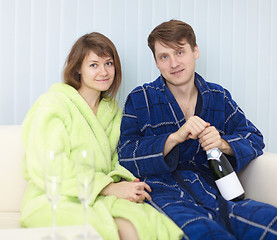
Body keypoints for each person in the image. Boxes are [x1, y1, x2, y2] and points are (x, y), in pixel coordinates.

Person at [118, 20, 277, 240]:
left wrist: (222, 144)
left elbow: (254, 138)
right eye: (164, 57)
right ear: (156, 62)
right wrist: (174, 138)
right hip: (165, 193)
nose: (174, 63)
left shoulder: (218, 96)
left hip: (218, 191)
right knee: (205, 233)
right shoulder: (140, 98)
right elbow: (125, 154)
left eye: (180, 52)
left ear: (195, 51)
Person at [21, 32, 183, 240]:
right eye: (93, 65)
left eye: (108, 63)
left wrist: (127, 182)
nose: (104, 72)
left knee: (150, 222)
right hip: (55, 198)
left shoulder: (112, 111)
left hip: (96, 195)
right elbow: (47, 165)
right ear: (78, 68)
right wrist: (108, 187)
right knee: (118, 230)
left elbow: (115, 160)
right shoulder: (53, 103)